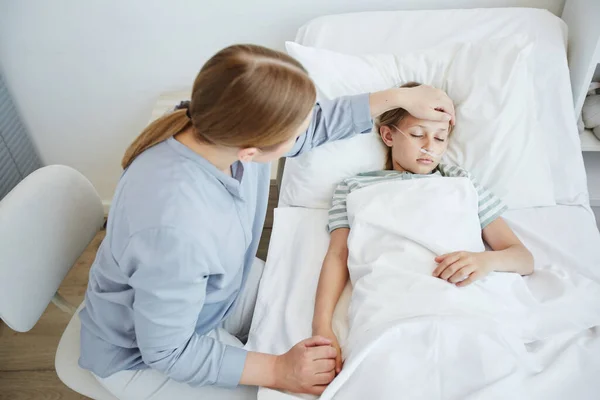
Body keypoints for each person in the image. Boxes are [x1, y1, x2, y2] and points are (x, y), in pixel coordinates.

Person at [78, 47, 456, 399]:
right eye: (293, 134)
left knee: (331, 310)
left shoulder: (216, 130)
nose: (302, 134)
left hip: (217, 294)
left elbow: (311, 126)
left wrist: (398, 98)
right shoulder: (176, 227)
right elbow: (167, 350)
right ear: (251, 152)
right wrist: (277, 371)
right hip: (148, 356)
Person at [312, 82, 534, 376]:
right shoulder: (353, 188)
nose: (430, 147)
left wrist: (484, 260)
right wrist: (322, 326)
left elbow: (523, 257)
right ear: (388, 135)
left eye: (440, 138)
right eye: (418, 135)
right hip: (390, 299)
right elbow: (337, 256)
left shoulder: (461, 183)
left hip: (460, 298)